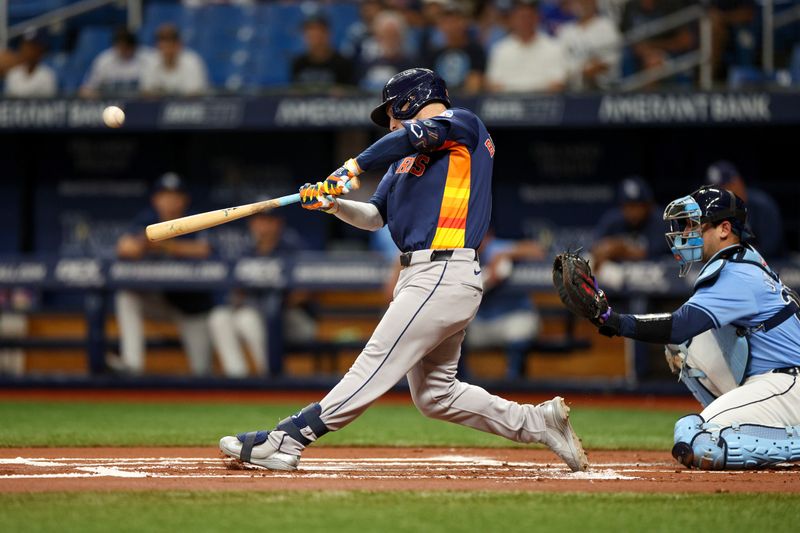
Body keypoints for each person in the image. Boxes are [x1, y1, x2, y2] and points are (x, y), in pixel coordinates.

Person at [219, 68, 588, 473]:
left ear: (413, 99)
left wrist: (351, 168)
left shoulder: (462, 125)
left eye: (393, 111)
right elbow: (376, 216)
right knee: (435, 396)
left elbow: (408, 136)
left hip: (444, 270)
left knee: (374, 363)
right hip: (420, 276)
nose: (392, 122)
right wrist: (332, 204)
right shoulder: (403, 162)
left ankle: (286, 440)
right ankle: (539, 423)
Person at [577, 186, 800, 469]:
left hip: (788, 383)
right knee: (684, 346)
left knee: (700, 440)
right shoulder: (743, 260)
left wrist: (612, 320)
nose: (687, 233)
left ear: (724, 229)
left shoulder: (736, 274)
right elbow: (682, 330)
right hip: (773, 379)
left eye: (696, 225)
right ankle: (732, 418)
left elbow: (678, 325)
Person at [115, 173, 215, 376]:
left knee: (202, 372)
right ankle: (132, 366)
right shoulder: (148, 220)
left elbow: (204, 250)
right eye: (164, 195)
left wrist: (166, 246)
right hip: (160, 301)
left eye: (175, 196)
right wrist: (145, 242)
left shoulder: (196, 219)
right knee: (126, 297)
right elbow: (125, 248)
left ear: (184, 200)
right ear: (155, 199)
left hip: (191, 308)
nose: (170, 201)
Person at [209, 209, 316, 377]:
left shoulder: (292, 247)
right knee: (219, 317)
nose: (263, 226)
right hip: (253, 313)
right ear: (251, 224)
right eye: (259, 221)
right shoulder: (244, 251)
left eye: (269, 221)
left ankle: (271, 378)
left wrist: (273, 304)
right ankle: (237, 378)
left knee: (248, 319)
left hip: (292, 318)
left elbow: (305, 292)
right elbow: (235, 291)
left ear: (279, 223)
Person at [465, 231, 547, 379]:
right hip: (481, 322)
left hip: (512, 316)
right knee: (451, 329)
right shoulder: (462, 254)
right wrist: (489, 278)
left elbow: (536, 250)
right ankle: (460, 381)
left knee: (520, 328)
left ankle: (514, 383)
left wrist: (504, 255)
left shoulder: (496, 248)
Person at [705, 160, 783, 258]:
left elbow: (770, 248)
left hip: (773, 265)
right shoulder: (718, 210)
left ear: (738, 182)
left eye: (726, 187)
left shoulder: (762, 205)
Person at [486, 0, 568, 93]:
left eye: (529, 17)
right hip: (509, 104)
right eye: (521, 17)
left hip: (545, 103)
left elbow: (558, 83)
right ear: (513, 20)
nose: (525, 21)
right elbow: (493, 85)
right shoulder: (500, 49)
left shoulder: (554, 47)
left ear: (537, 18)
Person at [591, 176, 668, 273]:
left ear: (648, 206)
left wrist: (619, 248)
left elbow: (647, 254)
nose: (633, 212)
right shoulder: (613, 220)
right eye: (629, 206)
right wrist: (604, 249)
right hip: (619, 276)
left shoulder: (660, 221)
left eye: (638, 206)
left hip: (654, 276)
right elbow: (596, 248)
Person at [620, 0, 696, 81]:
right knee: (626, 56)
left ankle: (650, 93)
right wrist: (643, 50)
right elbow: (627, 38)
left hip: (668, 52)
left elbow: (686, 41)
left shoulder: (672, 4)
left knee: (654, 62)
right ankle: (631, 92)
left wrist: (654, 47)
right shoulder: (631, 6)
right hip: (638, 53)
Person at [557, 0, 621, 90]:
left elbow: (608, 62)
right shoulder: (566, 31)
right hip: (570, 88)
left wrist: (582, 72)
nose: (583, 4)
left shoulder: (606, 26)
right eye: (580, 2)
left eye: (587, 1)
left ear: (594, 3)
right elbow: (560, 63)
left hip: (601, 88)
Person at [428, 2, 486, 93]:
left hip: (467, 101)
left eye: (456, 20)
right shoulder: (433, 54)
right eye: (447, 22)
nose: (452, 26)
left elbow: (475, 81)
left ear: (465, 23)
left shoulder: (475, 51)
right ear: (440, 26)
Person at [80, 27, 153, 98]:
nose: (123, 51)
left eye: (127, 48)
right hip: (110, 104)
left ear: (134, 46)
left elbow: (152, 91)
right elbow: (86, 90)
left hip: (139, 105)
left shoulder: (147, 58)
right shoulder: (104, 60)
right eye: (120, 47)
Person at [140, 24, 209, 96]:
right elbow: (146, 93)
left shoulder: (192, 61)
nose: (167, 49)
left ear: (179, 45)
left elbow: (194, 95)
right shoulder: (150, 62)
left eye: (171, 42)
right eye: (163, 43)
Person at [291, 14, 356, 90]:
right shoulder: (299, 63)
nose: (313, 36)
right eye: (309, 32)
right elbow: (295, 93)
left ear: (327, 34)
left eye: (317, 31)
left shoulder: (342, 64)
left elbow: (352, 94)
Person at [358, 11, 418, 92]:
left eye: (394, 35)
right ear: (377, 36)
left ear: (401, 37)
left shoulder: (410, 62)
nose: (390, 39)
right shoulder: (365, 60)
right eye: (386, 34)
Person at [4, 31, 57, 98]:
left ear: (40, 50)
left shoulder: (47, 75)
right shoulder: (13, 74)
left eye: (32, 47)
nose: (27, 50)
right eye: (25, 45)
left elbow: (51, 104)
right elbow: (7, 103)